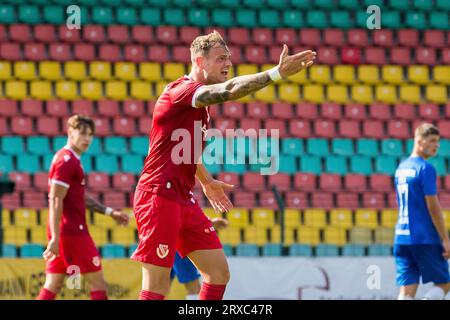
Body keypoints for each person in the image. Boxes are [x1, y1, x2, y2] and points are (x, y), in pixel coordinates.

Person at [131, 30, 316, 300]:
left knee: (218, 273)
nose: (228, 63)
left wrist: (206, 181)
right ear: (199, 62)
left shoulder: (197, 107)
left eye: (228, 57)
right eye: (220, 58)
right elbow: (229, 91)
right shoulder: (181, 92)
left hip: (183, 198)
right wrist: (275, 74)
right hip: (158, 196)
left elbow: (185, 151)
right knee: (157, 286)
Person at [37, 115, 130, 300]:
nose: (87, 139)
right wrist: (55, 238)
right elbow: (55, 199)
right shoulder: (67, 161)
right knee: (98, 284)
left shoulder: (68, 159)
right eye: (83, 133)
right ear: (70, 132)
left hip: (65, 231)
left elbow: (77, 196)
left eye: (91, 134)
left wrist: (109, 212)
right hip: (72, 232)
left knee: (53, 284)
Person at [394, 123, 450, 300]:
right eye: (432, 140)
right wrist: (445, 238)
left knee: (407, 291)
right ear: (419, 141)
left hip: (402, 237)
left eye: (438, 141)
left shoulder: (401, 168)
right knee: (444, 283)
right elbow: (433, 207)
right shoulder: (425, 168)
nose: (436, 145)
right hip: (423, 237)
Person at [169, 217, 229, 300]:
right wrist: (208, 222)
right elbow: (184, 211)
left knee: (159, 288)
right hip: (180, 243)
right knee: (194, 288)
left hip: (162, 241)